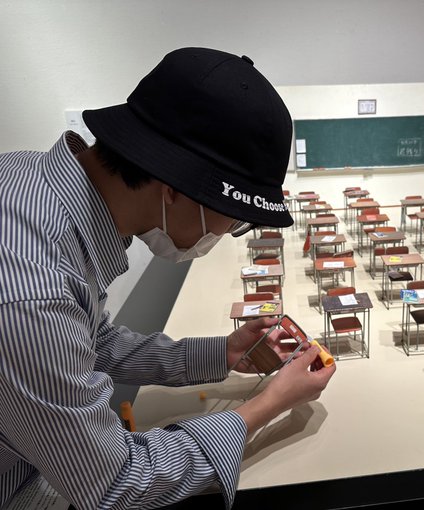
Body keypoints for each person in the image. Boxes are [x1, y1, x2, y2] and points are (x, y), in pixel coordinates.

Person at [0, 47, 336, 509]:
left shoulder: (29, 180)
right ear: (175, 189)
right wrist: (267, 405)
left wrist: (222, 354)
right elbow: (116, 483)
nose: (227, 231)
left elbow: (89, 342)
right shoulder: (33, 292)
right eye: (233, 217)